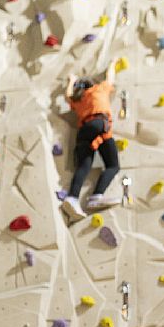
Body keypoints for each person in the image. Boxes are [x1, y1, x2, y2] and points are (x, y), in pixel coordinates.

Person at [62, 62, 122, 222]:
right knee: (113, 165)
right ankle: (96, 196)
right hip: (99, 125)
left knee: (83, 166)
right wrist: (112, 63)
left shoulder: (78, 99)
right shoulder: (99, 89)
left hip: (84, 131)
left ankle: (72, 198)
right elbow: (110, 77)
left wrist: (71, 81)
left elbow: (67, 96)